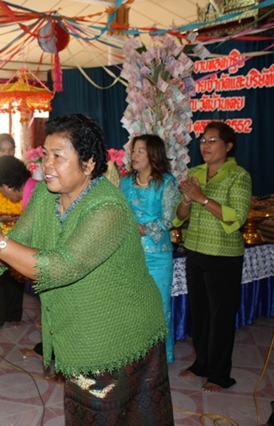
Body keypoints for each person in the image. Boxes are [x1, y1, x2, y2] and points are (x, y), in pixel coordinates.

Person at [0, 114, 173, 425]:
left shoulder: (108, 208)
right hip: (79, 332)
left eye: (58, 156)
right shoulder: (45, 196)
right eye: (45, 155)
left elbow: (61, 267)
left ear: (88, 163)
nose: (47, 165)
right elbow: (10, 251)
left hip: (122, 332)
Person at [175, 121, 252, 393]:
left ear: (228, 146)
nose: (205, 146)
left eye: (212, 141)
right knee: (200, 313)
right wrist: (187, 199)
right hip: (195, 251)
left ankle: (219, 375)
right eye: (203, 141)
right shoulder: (195, 172)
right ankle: (202, 364)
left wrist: (202, 198)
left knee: (220, 316)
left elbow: (237, 218)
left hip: (223, 255)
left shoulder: (239, 176)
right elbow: (179, 216)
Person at [120, 135, 180, 364]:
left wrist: (144, 229)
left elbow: (168, 217)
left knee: (158, 307)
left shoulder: (166, 182)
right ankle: (132, 356)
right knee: (130, 306)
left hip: (158, 255)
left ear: (153, 154)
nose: (134, 155)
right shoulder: (125, 182)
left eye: (140, 151)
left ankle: (158, 360)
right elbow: (119, 211)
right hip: (129, 253)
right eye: (133, 150)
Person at [0, 156, 35, 328]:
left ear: (6, 186)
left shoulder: (35, 199)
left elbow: (16, 250)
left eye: (0, 189)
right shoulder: (36, 189)